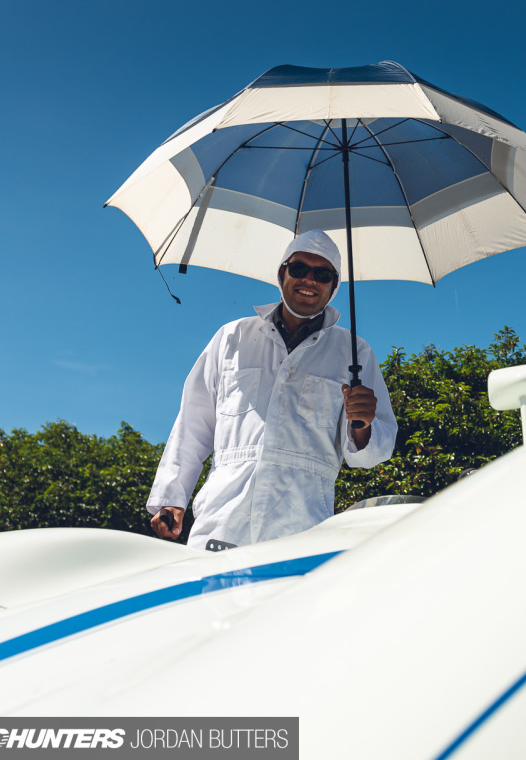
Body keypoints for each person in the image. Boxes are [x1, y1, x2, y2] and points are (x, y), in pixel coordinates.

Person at [147, 230, 396, 549]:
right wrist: (172, 498)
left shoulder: (355, 353)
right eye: (299, 269)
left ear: (334, 287)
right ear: (282, 273)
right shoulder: (231, 337)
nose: (309, 280)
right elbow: (193, 425)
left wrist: (362, 427)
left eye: (322, 274)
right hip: (222, 522)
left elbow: (373, 454)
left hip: (303, 530)